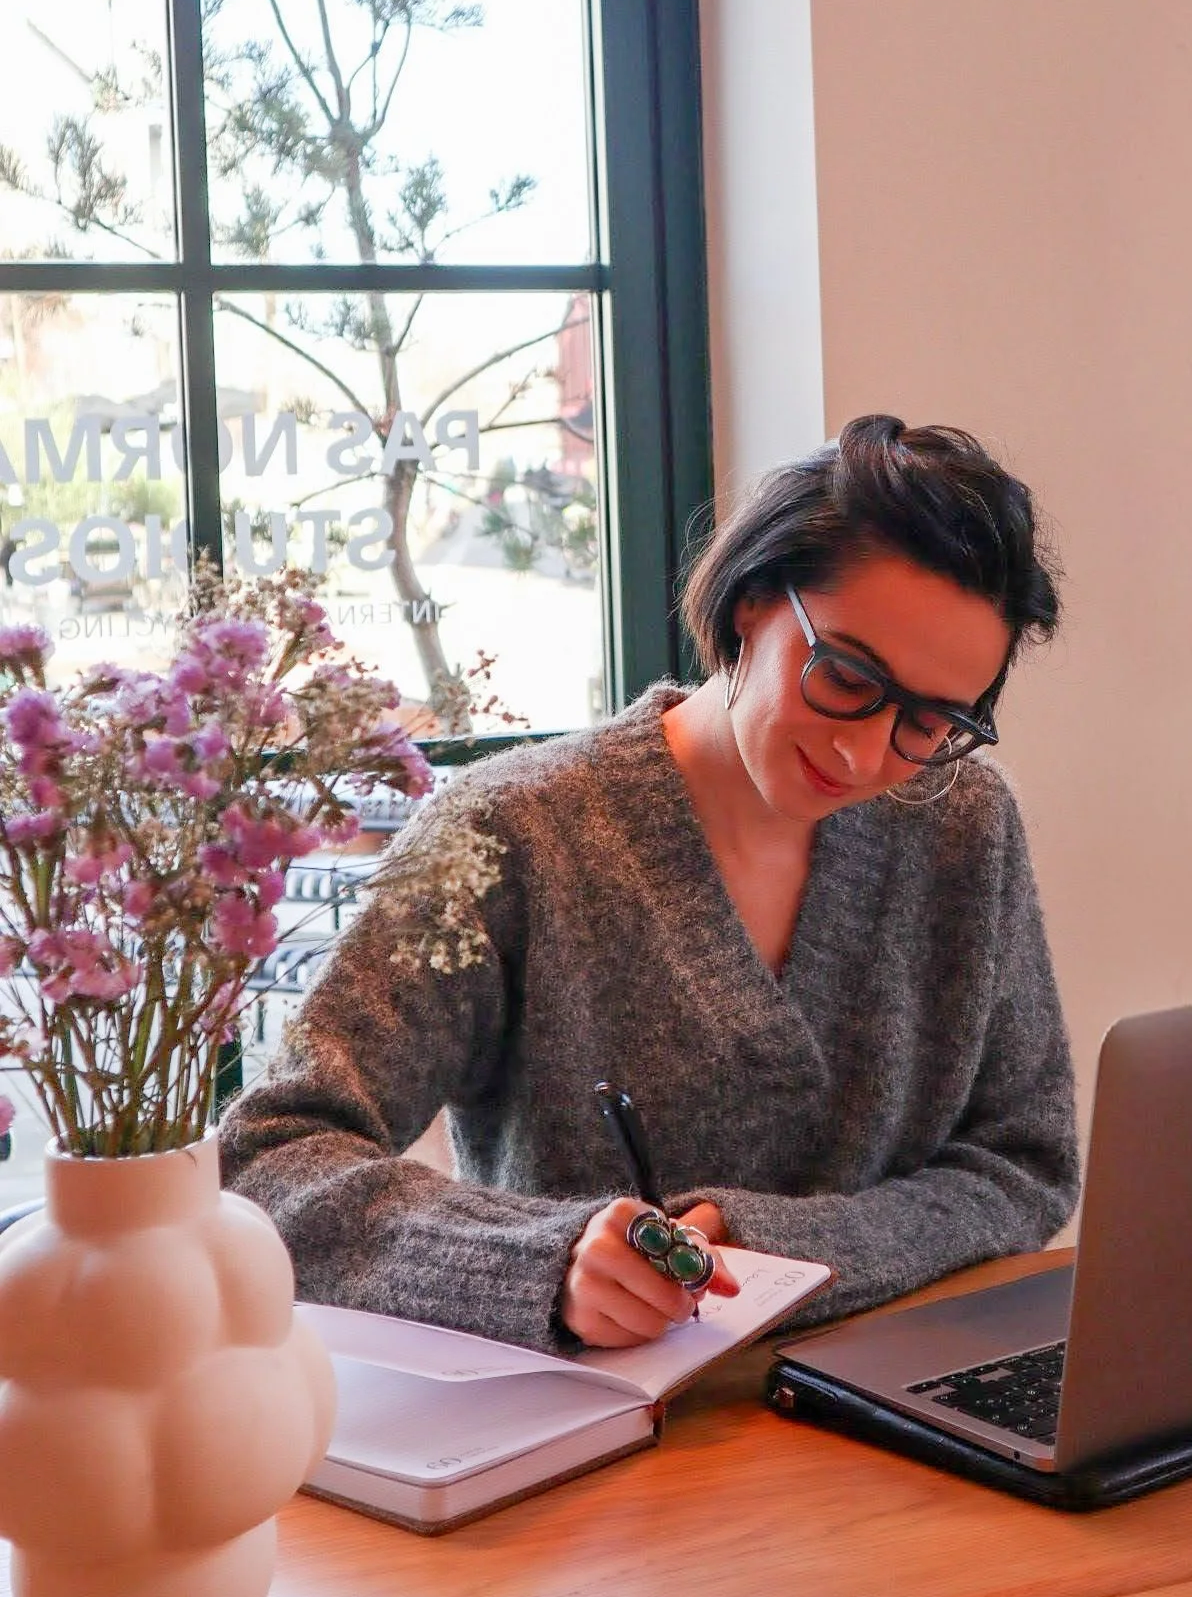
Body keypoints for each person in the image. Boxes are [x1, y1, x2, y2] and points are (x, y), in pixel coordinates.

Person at [221, 415, 1079, 1351]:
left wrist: (776, 1245)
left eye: (929, 723)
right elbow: (267, 1161)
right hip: (602, 1417)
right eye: (844, 677)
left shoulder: (964, 825)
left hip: (899, 1388)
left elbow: (1024, 1165)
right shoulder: (514, 832)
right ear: (754, 602)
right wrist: (543, 1262)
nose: (864, 753)